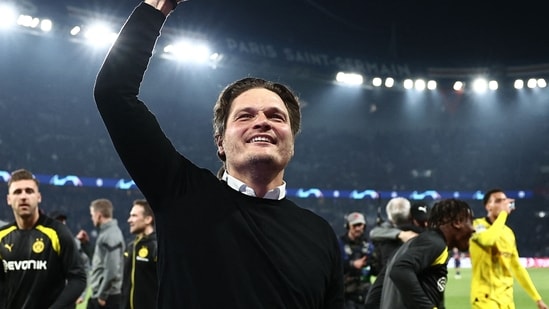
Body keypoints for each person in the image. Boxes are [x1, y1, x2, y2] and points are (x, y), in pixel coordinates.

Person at [92, 0, 344, 308]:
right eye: (245, 116)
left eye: (276, 116)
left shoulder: (319, 234)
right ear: (220, 142)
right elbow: (113, 92)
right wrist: (160, 5)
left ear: (290, 141)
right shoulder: (180, 192)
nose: (262, 121)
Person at [0, 169, 87, 309]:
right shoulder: (2, 236)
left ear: (38, 197)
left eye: (29, 191)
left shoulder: (58, 232)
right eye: (17, 192)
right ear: (9, 199)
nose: (23, 196)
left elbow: (78, 278)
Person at [380, 198, 474, 309]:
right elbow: (400, 269)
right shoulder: (434, 243)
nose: (473, 229)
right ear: (457, 222)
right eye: (470, 222)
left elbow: (375, 294)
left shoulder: (412, 246)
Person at [469, 189, 548, 309]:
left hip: (506, 299)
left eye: (505, 200)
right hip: (485, 298)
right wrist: (503, 214)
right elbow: (488, 240)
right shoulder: (476, 225)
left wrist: (537, 299)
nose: (503, 204)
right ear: (488, 206)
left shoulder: (508, 233)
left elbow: (517, 268)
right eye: (498, 201)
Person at [364, 199, 428, 309]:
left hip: (388, 285)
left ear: (389, 216)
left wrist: (399, 234)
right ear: (409, 215)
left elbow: (373, 233)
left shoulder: (384, 236)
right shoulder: (421, 234)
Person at [77, 198, 125, 309]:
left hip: (107, 297)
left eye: (92, 214)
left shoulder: (111, 235)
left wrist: (102, 296)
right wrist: (86, 244)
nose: (91, 218)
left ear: (99, 215)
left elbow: (112, 269)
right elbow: (100, 261)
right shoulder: (106, 233)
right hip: (102, 294)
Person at [50, 210, 92, 307]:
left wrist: (81, 294)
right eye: (59, 221)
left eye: (63, 222)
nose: (62, 224)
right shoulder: (43, 244)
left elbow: (84, 268)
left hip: (67, 298)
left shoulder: (72, 245)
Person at [121, 199, 158, 309]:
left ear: (148, 219)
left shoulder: (156, 247)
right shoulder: (131, 247)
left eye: (134, 216)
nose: (129, 220)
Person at [339, 212, 375, 308]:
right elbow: (334, 264)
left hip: (365, 291)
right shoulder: (339, 244)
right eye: (354, 225)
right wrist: (352, 264)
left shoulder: (369, 245)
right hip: (345, 293)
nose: (358, 228)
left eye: (360, 225)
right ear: (348, 226)